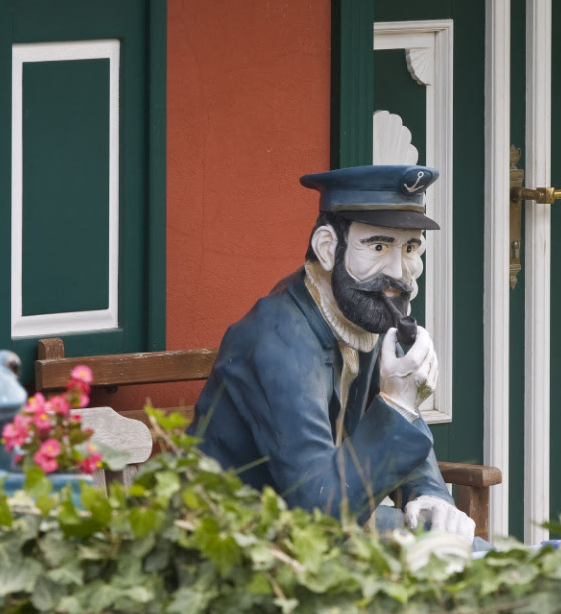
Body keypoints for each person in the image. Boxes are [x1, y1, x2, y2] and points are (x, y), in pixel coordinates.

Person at [188, 165, 475, 539]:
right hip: (246, 539)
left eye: (410, 248)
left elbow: (394, 427)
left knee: (465, 548)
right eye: (378, 246)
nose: (399, 272)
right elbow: (316, 509)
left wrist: (429, 494)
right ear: (327, 248)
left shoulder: (358, 310)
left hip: (334, 525)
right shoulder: (279, 341)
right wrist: (400, 406)